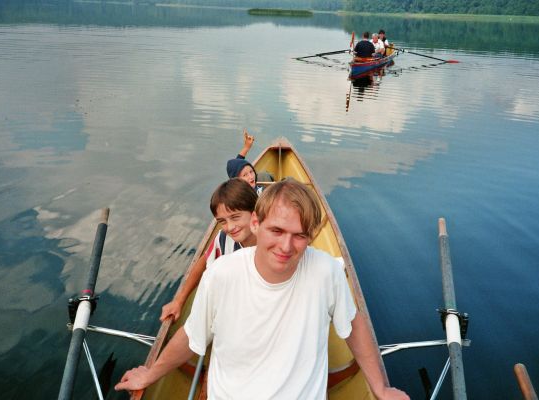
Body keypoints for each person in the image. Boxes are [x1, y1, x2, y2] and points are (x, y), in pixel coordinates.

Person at [118, 179, 409, 400]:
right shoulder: (221, 274)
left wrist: (381, 389)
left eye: (299, 236)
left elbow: (353, 325)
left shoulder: (326, 271)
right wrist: (150, 374)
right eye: (277, 231)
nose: (286, 247)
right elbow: (193, 335)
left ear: (310, 237)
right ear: (256, 223)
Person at [159, 178, 257, 322]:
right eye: (222, 221)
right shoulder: (223, 238)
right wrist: (179, 301)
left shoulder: (274, 244)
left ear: (255, 212)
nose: (230, 227)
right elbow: (204, 262)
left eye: (235, 217)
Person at [226, 129, 265, 195]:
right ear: (237, 180)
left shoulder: (236, 184)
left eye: (251, 171)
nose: (251, 177)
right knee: (265, 175)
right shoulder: (259, 193)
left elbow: (237, 163)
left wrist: (246, 147)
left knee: (263, 175)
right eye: (245, 175)